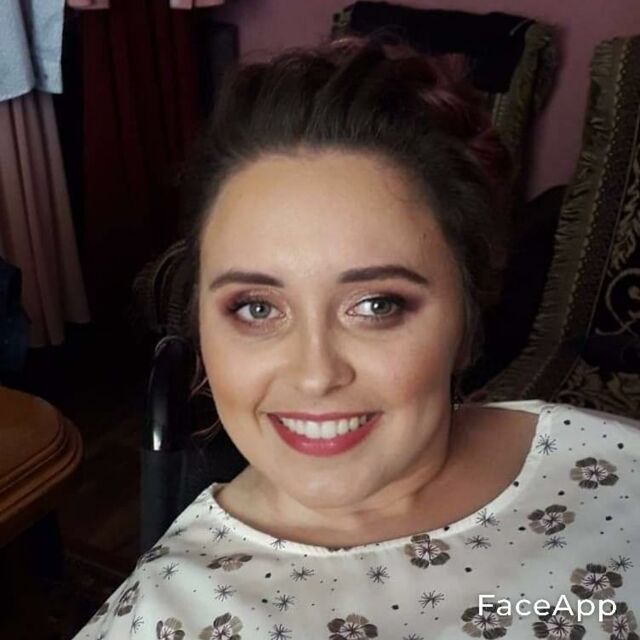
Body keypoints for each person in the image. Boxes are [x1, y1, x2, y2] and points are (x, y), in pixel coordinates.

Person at [74, 36, 640, 640]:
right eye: (257, 307)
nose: (315, 374)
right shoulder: (161, 617)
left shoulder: (614, 467)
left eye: (376, 305)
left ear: (466, 317)